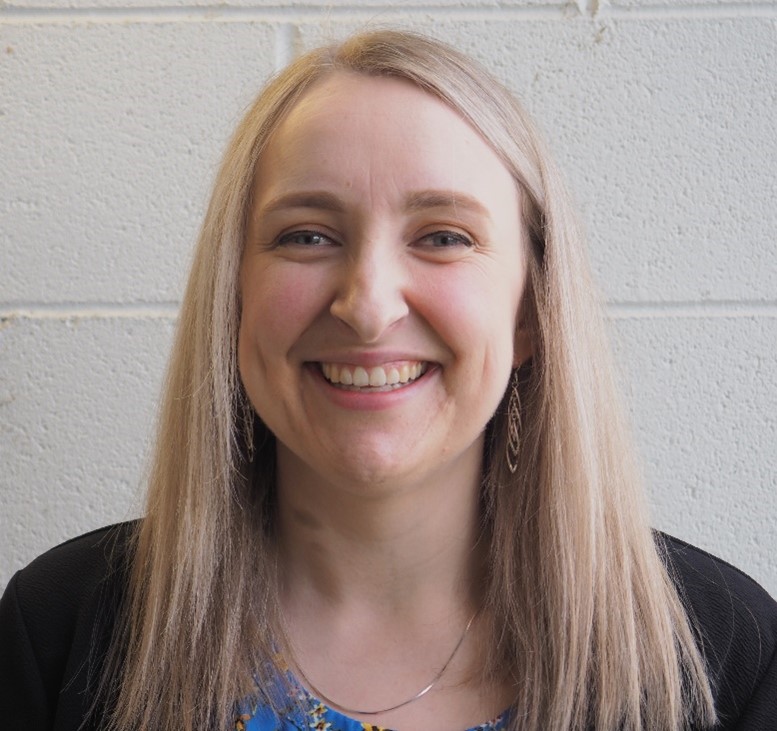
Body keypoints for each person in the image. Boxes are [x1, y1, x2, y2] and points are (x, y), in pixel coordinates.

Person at [1, 29, 775, 731]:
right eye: (305, 234)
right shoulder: (59, 630)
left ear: (531, 310)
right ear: (232, 299)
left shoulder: (724, 654)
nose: (368, 306)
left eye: (443, 236)